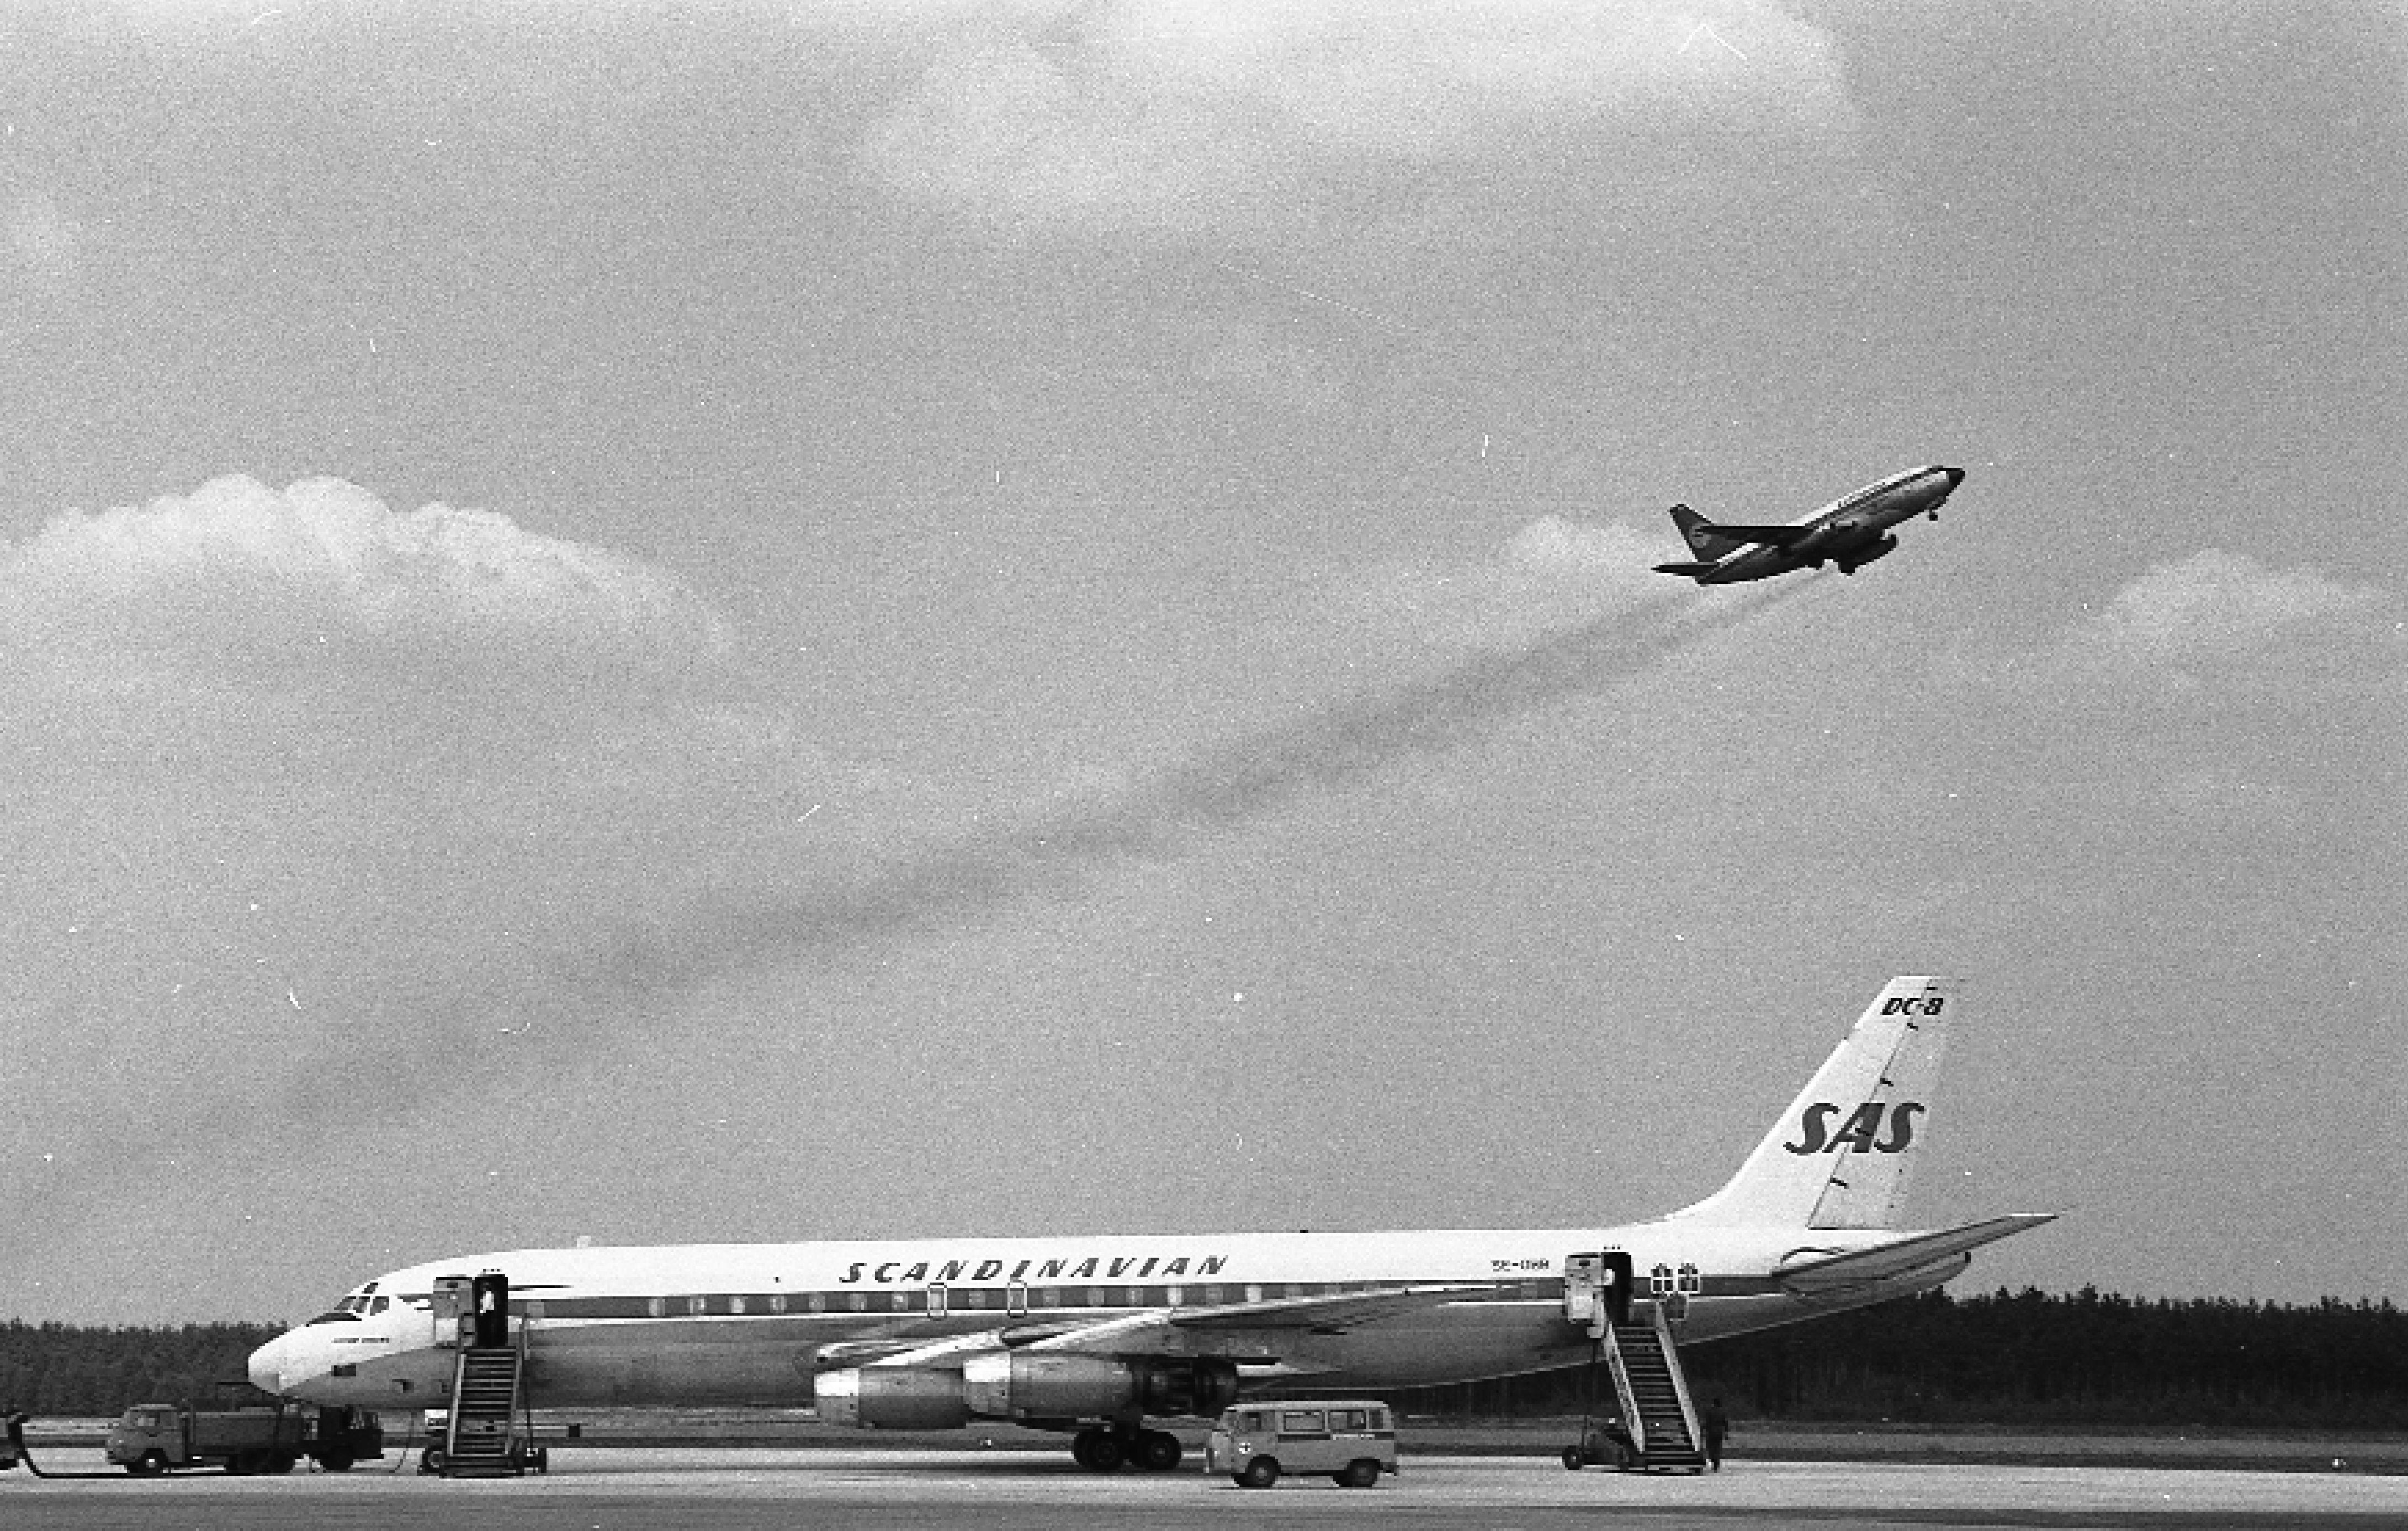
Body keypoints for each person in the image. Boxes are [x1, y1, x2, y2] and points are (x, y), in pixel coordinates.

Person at [1701, 1396, 1730, 1471]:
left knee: (1711, 1448)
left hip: (1711, 1432)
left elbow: (1707, 1422)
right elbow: (1725, 1423)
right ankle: (1717, 1462)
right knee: (1718, 1447)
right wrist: (1726, 1433)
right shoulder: (1722, 1412)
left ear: (1714, 1404)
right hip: (1720, 1432)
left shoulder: (1710, 1411)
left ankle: (1713, 1461)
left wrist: (1703, 1430)